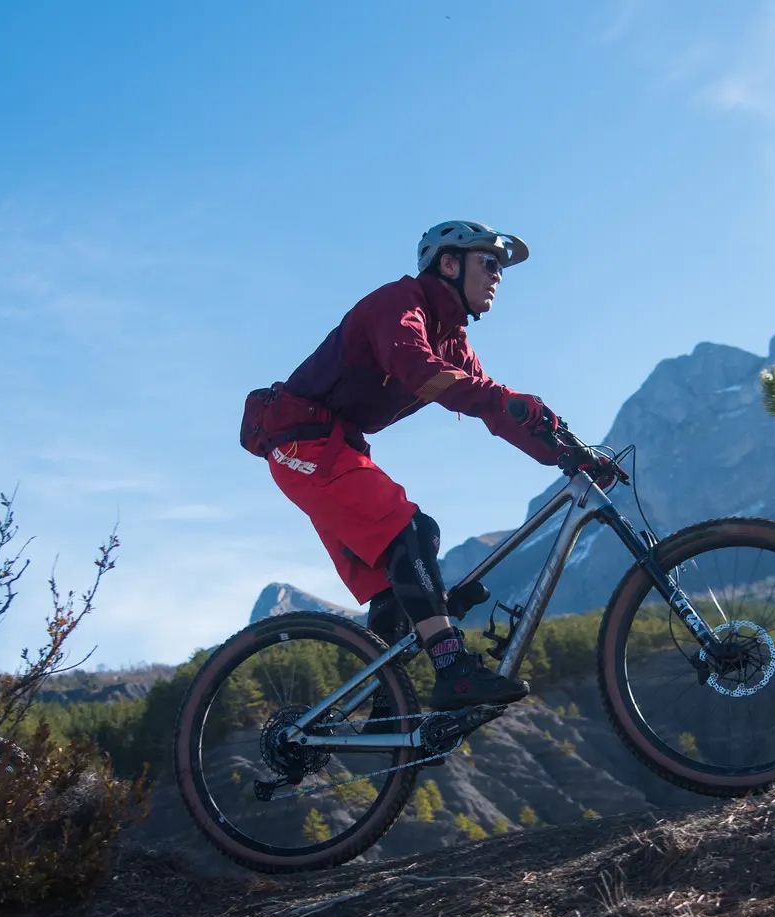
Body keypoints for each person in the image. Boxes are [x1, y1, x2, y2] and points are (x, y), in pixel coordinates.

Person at [243, 220, 617, 712]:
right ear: (448, 263)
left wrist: (568, 452)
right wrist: (511, 401)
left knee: (401, 577)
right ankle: (453, 670)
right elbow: (418, 371)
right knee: (412, 531)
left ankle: (385, 713)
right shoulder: (399, 305)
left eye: (501, 268)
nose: (498, 276)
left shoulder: (453, 340)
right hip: (299, 439)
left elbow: (494, 410)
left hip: (335, 445)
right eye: (490, 263)